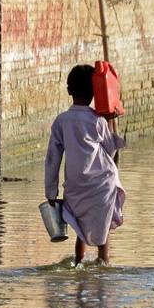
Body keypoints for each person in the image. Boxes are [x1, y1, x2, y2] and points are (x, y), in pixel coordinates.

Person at [45, 64, 127, 267]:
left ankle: (78, 263)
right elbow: (110, 150)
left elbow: (52, 158)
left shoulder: (61, 121)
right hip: (100, 185)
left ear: (68, 91)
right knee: (103, 229)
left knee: (80, 230)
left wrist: (51, 191)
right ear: (95, 92)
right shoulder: (97, 121)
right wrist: (110, 121)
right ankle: (103, 264)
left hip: (75, 186)